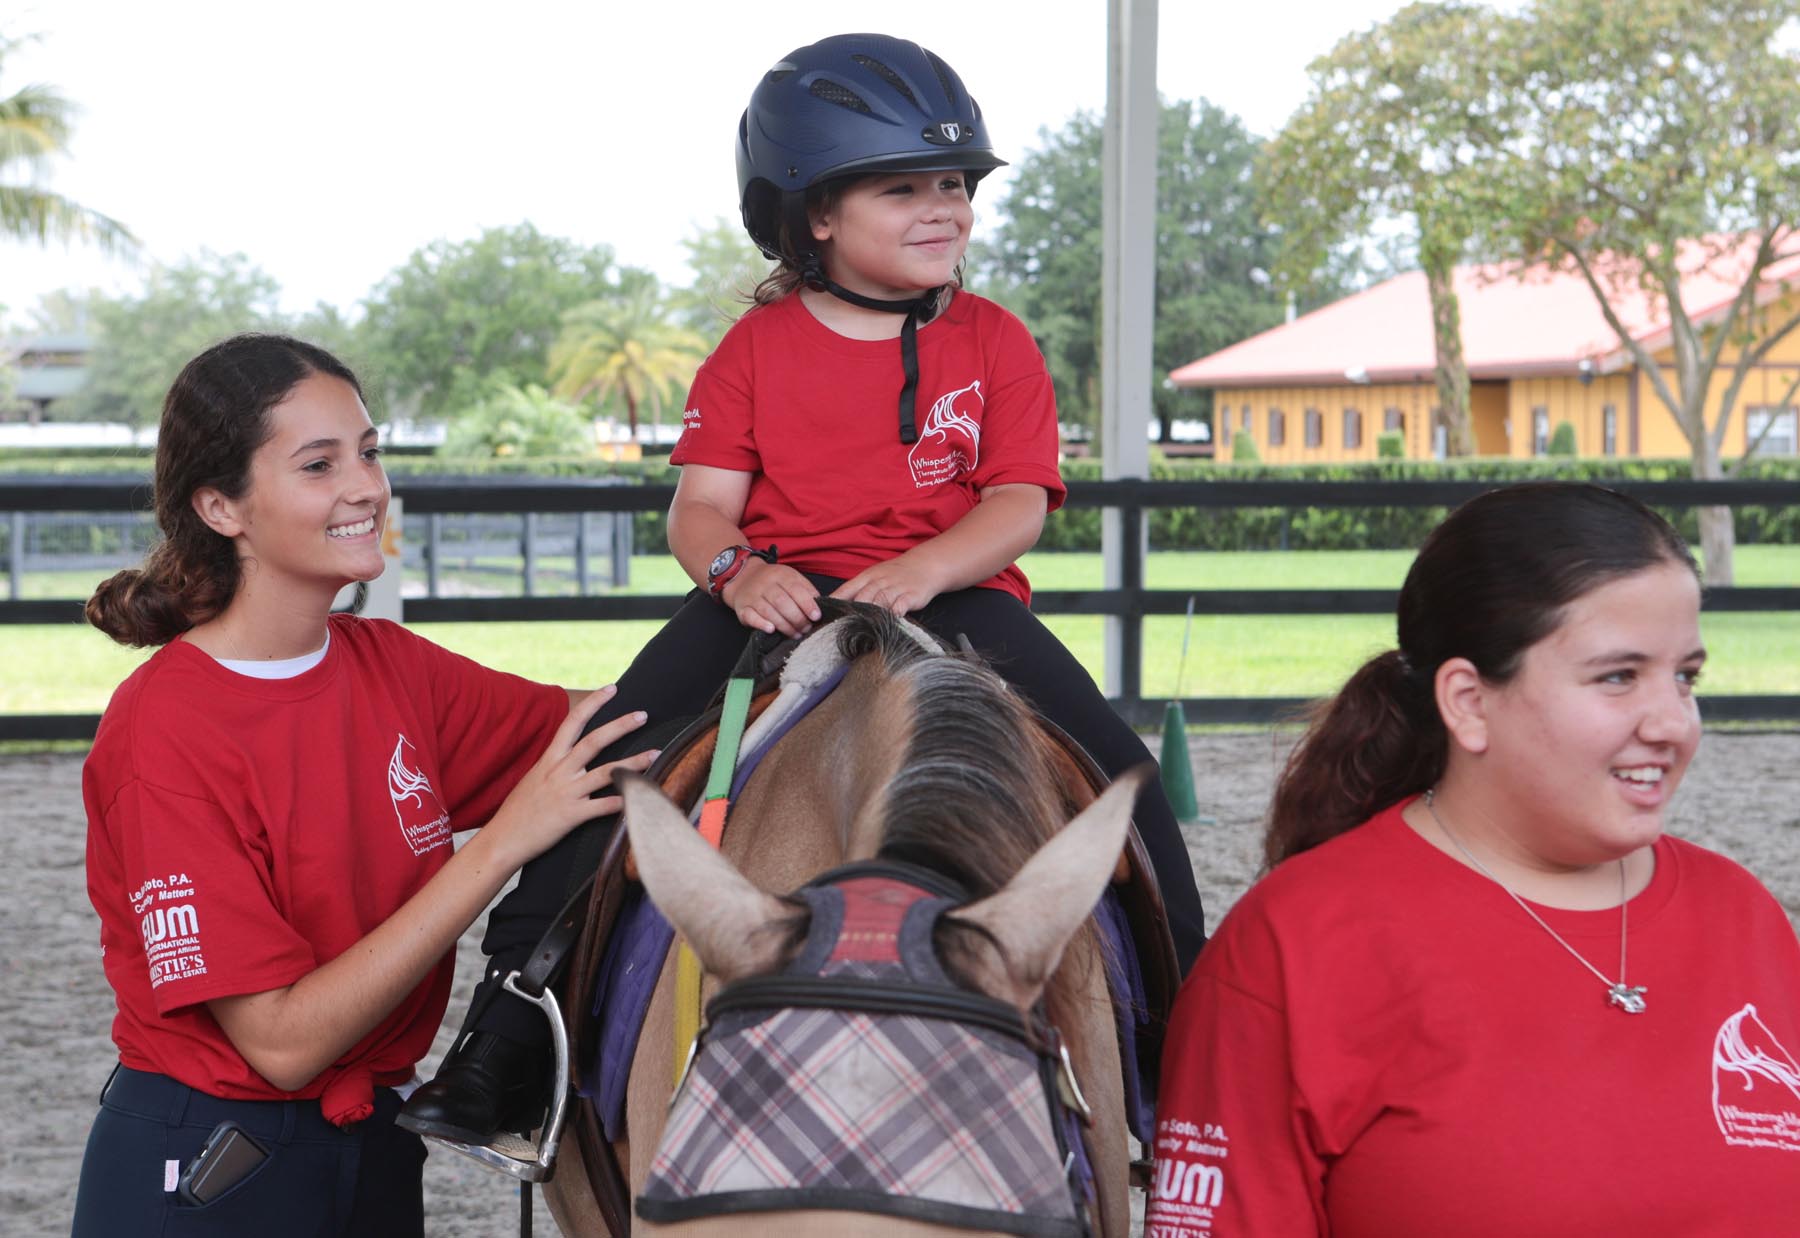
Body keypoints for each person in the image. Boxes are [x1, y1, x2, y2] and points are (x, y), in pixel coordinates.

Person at [398, 31, 1209, 1146]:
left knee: (1121, 780)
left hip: (951, 594)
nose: (943, 209)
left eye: (953, 185)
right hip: (772, 597)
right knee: (610, 757)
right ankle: (510, 1028)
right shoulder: (754, 349)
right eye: (902, 189)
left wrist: (928, 567)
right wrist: (737, 572)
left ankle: (1187, 1035)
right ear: (816, 213)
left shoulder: (995, 340)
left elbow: (1017, 503)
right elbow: (699, 509)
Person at [71, 334, 652, 1237]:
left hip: (375, 1142)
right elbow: (284, 1043)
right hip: (213, 1165)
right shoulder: (165, 730)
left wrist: (792, 637)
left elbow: (629, 729)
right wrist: (504, 843)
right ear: (220, 506)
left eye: (369, 452)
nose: (365, 487)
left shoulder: (389, 666)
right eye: (319, 464)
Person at [1145, 483, 1800, 1237]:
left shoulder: (1743, 915)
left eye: (1686, 676)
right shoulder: (1290, 949)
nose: (1673, 724)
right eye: (1618, 676)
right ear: (1468, 701)